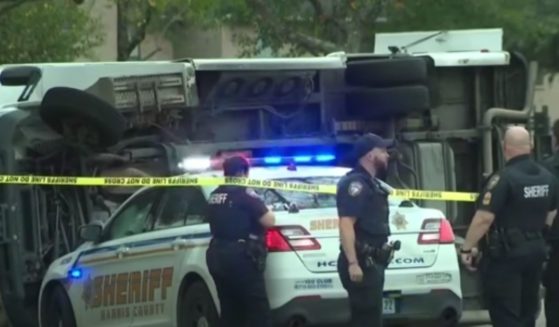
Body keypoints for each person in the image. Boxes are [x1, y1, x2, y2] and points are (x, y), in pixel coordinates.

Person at [460, 126, 558, 327]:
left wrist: (467, 247)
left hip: (506, 256)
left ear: (505, 148)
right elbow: (552, 212)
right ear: (530, 146)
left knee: (505, 312)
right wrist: (539, 233)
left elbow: (483, 219)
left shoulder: (503, 178)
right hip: (536, 251)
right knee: (527, 311)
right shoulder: (547, 176)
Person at [205, 156, 276, 327]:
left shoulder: (215, 194)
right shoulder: (245, 194)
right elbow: (269, 221)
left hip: (217, 255)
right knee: (256, 309)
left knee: (230, 309)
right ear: (242, 173)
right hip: (240, 257)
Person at [336, 132, 395, 327]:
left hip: (372, 263)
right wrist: (353, 262)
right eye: (383, 151)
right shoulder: (355, 184)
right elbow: (346, 223)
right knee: (366, 320)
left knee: (371, 318)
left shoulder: (372, 184)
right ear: (370, 155)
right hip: (362, 262)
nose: (387, 156)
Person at [538, 119, 559, 327]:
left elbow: (545, 207)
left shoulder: (547, 169)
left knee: (555, 298)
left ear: (554, 138)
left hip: (556, 243)